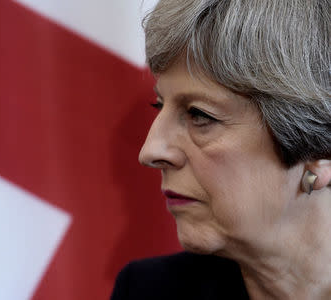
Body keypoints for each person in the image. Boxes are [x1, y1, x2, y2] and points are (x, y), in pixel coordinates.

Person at [111, 0, 331, 299]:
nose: (150, 151)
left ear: (321, 155)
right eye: (159, 104)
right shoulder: (147, 290)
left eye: (200, 115)